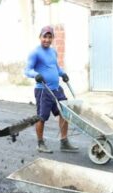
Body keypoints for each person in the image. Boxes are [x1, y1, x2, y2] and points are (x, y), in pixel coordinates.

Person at [24, 25, 78, 154]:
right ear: (40, 37)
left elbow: (56, 68)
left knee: (64, 112)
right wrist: (35, 75)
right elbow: (27, 70)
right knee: (42, 117)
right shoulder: (35, 52)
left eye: (49, 37)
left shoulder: (53, 51)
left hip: (56, 89)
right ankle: (40, 143)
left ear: (52, 38)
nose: (47, 40)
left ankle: (64, 142)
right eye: (45, 36)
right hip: (43, 90)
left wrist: (63, 74)